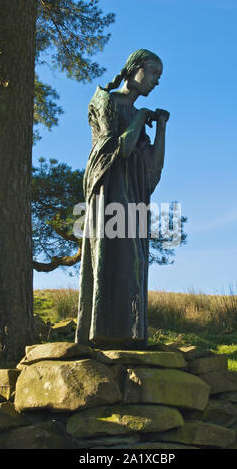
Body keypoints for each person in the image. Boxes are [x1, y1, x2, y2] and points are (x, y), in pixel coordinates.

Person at [75, 49, 170, 349]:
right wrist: (141, 117)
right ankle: (101, 331)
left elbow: (154, 166)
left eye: (159, 77)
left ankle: (130, 333)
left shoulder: (137, 114)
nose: (156, 82)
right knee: (110, 258)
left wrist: (162, 129)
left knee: (135, 261)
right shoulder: (105, 100)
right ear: (135, 69)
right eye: (153, 73)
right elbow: (121, 147)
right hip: (109, 192)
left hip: (134, 195)